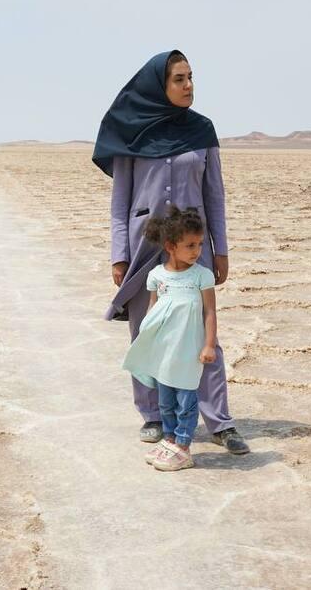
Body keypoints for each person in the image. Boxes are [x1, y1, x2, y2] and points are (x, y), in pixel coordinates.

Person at [93, 49, 249, 455]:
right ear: (159, 86)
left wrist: (221, 250)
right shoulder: (132, 133)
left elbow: (215, 195)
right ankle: (152, 416)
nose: (188, 86)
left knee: (202, 331)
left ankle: (219, 422)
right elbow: (120, 201)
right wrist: (118, 255)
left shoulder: (202, 130)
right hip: (145, 248)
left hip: (193, 246)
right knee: (148, 331)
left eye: (191, 77)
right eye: (179, 79)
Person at [121, 205, 216, 471]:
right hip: (165, 349)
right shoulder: (157, 276)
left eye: (199, 244)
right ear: (171, 246)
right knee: (165, 400)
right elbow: (153, 312)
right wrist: (148, 344)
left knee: (186, 400)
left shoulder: (201, 276)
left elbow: (210, 311)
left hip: (189, 350)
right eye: (190, 245)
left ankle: (184, 448)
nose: (197, 251)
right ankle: (170, 439)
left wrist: (209, 344)